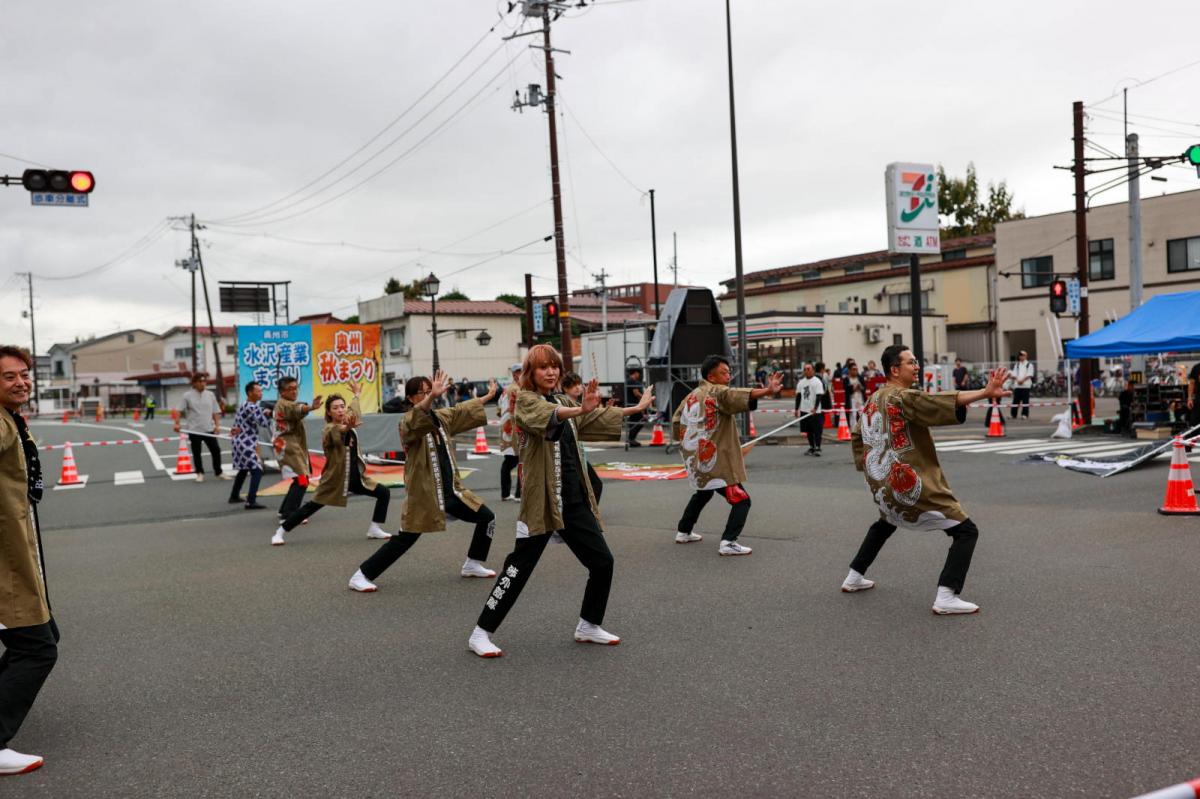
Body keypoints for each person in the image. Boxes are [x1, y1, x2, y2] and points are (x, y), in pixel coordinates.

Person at [466, 344, 654, 658]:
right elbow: (548, 417)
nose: (551, 372)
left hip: (573, 500)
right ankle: (480, 632)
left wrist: (634, 409)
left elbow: (590, 419)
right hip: (542, 501)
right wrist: (581, 409)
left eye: (554, 366)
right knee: (519, 568)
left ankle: (589, 624)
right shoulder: (525, 400)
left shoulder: (563, 400)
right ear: (531, 372)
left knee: (602, 562)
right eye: (543, 367)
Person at [842, 345, 1010, 614]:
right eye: (911, 362)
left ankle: (854, 576)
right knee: (966, 531)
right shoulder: (902, 396)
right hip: (910, 481)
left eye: (916, 361)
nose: (917, 366)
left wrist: (869, 472)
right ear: (894, 370)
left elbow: (856, 435)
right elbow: (935, 403)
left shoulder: (874, 399)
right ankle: (946, 595)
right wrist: (984, 393)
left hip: (882, 481)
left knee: (886, 522)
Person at [349, 373, 499, 590]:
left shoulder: (441, 417)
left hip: (451, 491)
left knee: (487, 518)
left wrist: (488, 397)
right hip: (425, 493)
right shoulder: (408, 421)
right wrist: (431, 397)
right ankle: (361, 575)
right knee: (406, 538)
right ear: (410, 398)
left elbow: (461, 410)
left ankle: (472, 564)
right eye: (422, 392)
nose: (429, 395)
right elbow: (417, 419)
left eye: (430, 390)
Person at [0, 346, 58, 776]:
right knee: (37, 647)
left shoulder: (11, 419)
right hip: (5, 561)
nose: (21, 382)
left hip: (16, 551)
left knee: (42, 636)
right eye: (9, 376)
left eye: (24, 374)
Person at [672, 356, 783, 554]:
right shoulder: (717, 391)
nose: (728, 376)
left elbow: (676, 421)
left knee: (704, 492)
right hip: (716, 461)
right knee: (742, 500)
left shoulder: (692, 395)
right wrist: (767, 391)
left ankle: (684, 531)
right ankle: (728, 542)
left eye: (729, 372)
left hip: (696, 457)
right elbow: (735, 395)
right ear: (711, 377)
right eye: (724, 373)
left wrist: (688, 448)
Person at [272, 383, 393, 545]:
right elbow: (338, 432)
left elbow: (353, 412)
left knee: (384, 493)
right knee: (312, 506)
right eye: (335, 408)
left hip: (355, 477)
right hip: (335, 479)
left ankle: (374, 528)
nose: (340, 410)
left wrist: (356, 395)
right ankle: (280, 531)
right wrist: (346, 428)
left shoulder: (347, 420)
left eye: (342, 407)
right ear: (328, 412)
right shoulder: (328, 429)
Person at [272, 377, 323, 521]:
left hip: (289, 445)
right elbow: (297, 409)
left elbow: (297, 408)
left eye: (295, 388)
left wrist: (308, 407)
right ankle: (289, 515)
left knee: (299, 479)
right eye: (290, 389)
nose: (294, 391)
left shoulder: (284, 403)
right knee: (302, 480)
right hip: (288, 446)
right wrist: (311, 407)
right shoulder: (284, 404)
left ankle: (284, 510)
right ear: (282, 392)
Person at [174, 373, 229, 482]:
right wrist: (177, 423)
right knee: (197, 452)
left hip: (208, 428)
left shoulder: (210, 395)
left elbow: (215, 411)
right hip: (194, 429)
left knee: (216, 450)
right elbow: (178, 410)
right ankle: (199, 473)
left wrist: (217, 425)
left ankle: (219, 472)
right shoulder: (187, 395)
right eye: (200, 381)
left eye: (204, 381)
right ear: (194, 383)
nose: (203, 383)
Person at [561, 372, 604, 502]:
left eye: (579, 384)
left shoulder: (580, 403)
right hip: (568, 453)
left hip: (577, 452)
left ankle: (587, 510)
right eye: (573, 385)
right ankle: (587, 510)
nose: (577, 387)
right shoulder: (562, 403)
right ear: (565, 388)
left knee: (591, 485)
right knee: (593, 484)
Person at [228, 381, 270, 509]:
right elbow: (264, 423)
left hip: (239, 441)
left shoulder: (244, 405)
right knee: (257, 470)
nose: (261, 393)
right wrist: (268, 414)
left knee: (244, 468)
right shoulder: (252, 407)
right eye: (258, 391)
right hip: (246, 443)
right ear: (250, 393)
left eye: (261, 391)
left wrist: (263, 412)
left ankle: (234, 495)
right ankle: (251, 501)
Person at [498, 363, 523, 502]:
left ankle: (506, 493)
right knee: (520, 460)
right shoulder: (516, 389)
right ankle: (519, 494)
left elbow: (498, 409)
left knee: (509, 462)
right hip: (514, 429)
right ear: (515, 375)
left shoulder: (506, 389)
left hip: (506, 428)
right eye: (520, 372)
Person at [794, 363, 825, 456]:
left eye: (808, 369)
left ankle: (818, 447)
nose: (806, 371)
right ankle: (812, 447)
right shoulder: (801, 382)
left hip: (815, 411)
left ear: (813, 370)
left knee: (817, 430)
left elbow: (819, 396)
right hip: (804, 410)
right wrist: (796, 409)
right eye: (805, 369)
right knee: (808, 431)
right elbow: (798, 396)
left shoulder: (817, 382)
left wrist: (815, 408)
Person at [624, 367, 646, 447]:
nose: (639, 375)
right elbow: (636, 393)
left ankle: (631, 439)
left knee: (634, 421)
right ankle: (631, 439)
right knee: (641, 420)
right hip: (633, 405)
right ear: (635, 373)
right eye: (638, 373)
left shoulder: (629, 381)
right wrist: (645, 397)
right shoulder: (632, 381)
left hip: (633, 404)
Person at [1010, 350, 1034, 420]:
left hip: (1026, 386)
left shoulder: (1029, 365)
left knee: (1025, 401)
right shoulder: (1017, 364)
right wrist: (1017, 380)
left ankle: (1024, 414)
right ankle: (1013, 415)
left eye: (1023, 355)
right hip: (1017, 385)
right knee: (1015, 401)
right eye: (1020, 355)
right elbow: (1014, 374)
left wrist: (1022, 380)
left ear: (1026, 356)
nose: (1021, 356)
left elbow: (1030, 374)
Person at [843, 362, 866, 428]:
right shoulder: (846, 379)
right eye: (853, 369)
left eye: (856, 369)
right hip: (851, 400)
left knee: (863, 416)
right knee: (853, 416)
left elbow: (864, 388)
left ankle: (864, 431)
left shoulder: (860, 378)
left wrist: (860, 387)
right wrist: (854, 388)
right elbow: (846, 389)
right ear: (849, 370)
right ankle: (853, 431)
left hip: (860, 400)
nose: (855, 371)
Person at [1189, 360, 1200, 428]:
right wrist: (1189, 398)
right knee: (1194, 422)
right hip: (1198, 399)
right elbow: (1191, 384)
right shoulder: (1196, 368)